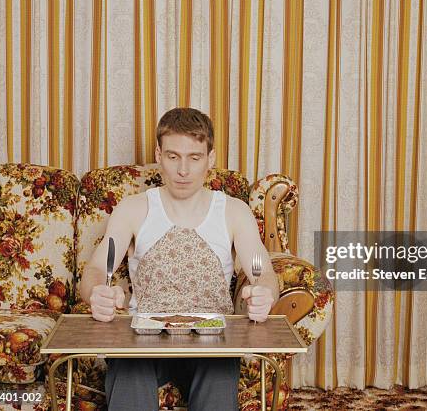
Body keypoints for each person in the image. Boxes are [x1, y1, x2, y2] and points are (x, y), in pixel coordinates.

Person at [79, 108, 280, 411]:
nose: (183, 170)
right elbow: (97, 268)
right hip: (143, 339)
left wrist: (264, 293)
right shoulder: (133, 209)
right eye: (173, 157)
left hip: (212, 341)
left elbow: (262, 272)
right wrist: (96, 293)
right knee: (128, 370)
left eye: (194, 157)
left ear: (210, 158)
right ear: (159, 155)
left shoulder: (234, 211)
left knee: (219, 377)